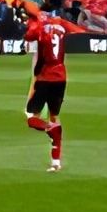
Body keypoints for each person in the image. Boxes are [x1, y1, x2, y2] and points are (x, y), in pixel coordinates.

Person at [24, 11, 69, 172]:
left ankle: (49, 128)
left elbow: (28, 36)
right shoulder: (61, 28)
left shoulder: (41, 29)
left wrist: (36, 24)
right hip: (61, 77)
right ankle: (56, 162)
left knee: (30, 117)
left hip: (46, 77)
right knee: (55, 116)